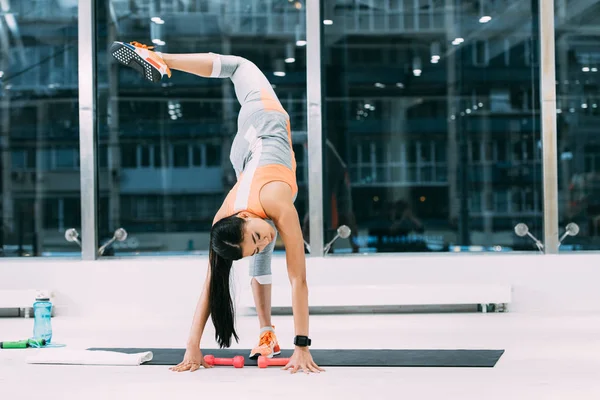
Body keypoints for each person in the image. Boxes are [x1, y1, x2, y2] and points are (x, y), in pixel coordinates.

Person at [110, 41, 323, 374]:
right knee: (259, 254)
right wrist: (191, 348)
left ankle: (160, 56)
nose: (264, 241)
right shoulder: (226, 221)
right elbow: (213, 281)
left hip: (262, 121)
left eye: (255, 238)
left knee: (238, 65)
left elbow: (299, 279)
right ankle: (266, 332)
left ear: (245, 216)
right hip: (245, 159)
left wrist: (302, 346)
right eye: (255, 244)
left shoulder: (277, 204)